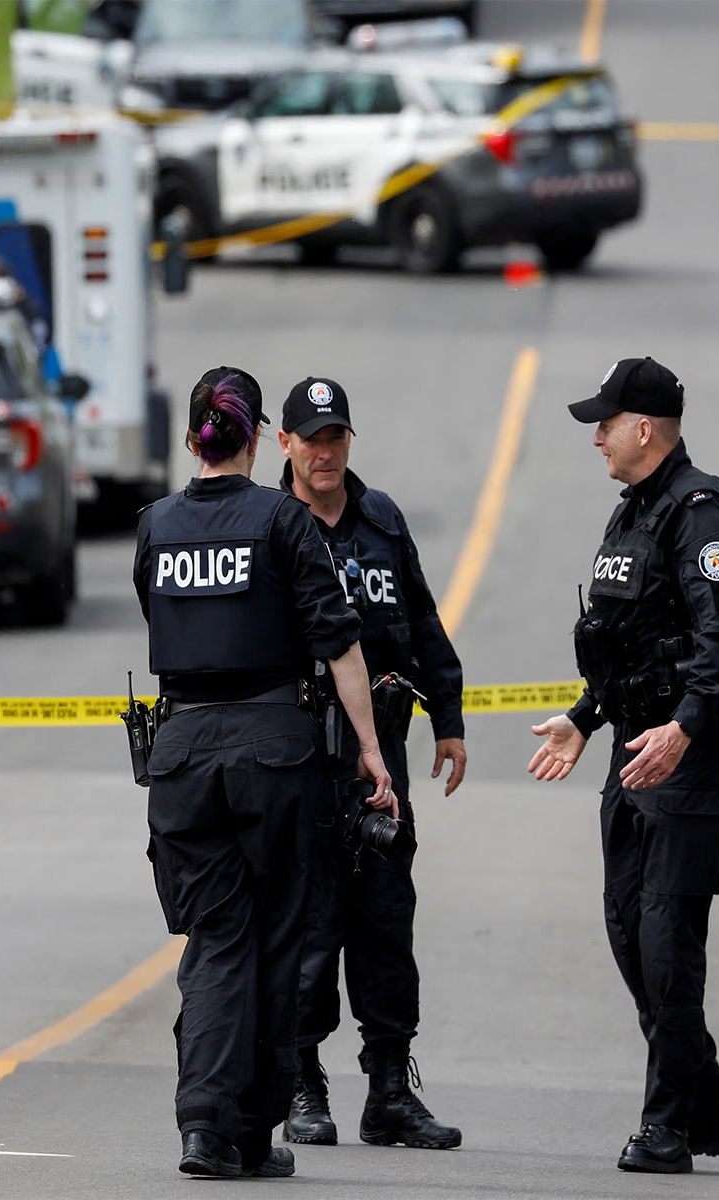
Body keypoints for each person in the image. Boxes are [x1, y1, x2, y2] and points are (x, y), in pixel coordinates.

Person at [135, 366, 395, 1180]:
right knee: (280, 939)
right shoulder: (283, 522)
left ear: (191, 439)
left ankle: (203, 1127)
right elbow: (339, 643)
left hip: (181, 759)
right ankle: (252, 1130)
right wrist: (371, 752)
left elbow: (162, 619)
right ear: (256, 441)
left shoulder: (156, 527)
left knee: (215, 942)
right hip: (274, 756)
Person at [526, 357, 719, 1175]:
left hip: (686, 759)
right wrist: (585, 719)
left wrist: (685, 729)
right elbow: (627, 641)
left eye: (607, 423)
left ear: (645, 430)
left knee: (667, 939)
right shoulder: (632, 517)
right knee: (627, 926)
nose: (597, 437)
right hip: (632, 749)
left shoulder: (700, 515)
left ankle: (668, 1128)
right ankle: (706, 1096)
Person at [274, 376, 466, 1151]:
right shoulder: (268, 527)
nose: (326, 452)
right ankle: (301, 1083)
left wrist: (448, 721)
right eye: (311, 439)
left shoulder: (382, 521)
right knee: (311, 928)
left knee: (386, 923)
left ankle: (389, 1091)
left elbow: (421, 619)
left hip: (380, 766)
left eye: (337, 438)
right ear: (284, 444)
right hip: (300, 763)